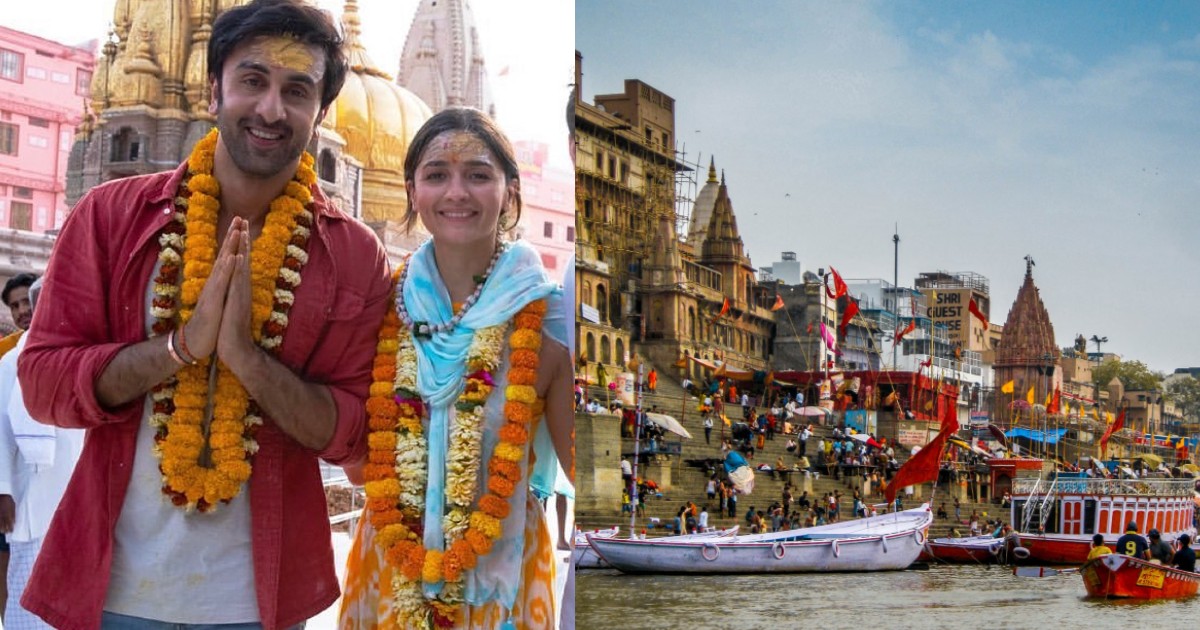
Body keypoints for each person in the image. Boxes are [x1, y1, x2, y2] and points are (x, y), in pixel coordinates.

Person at [17, 3, 392, 628]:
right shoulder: (111, 217)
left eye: (296, 91)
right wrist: (181, 347)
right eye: (253, 80)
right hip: (111, 591)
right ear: (212, 89)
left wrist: (246, 359)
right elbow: (44, 384)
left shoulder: (352, 257)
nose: (271, 109)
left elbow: (354, 431)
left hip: (260, 600)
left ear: (322, 114)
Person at [338, 107, 573, 628]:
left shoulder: (549, 315)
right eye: (437, 174)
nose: (457, 193)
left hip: (502, 578)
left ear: (511, 192)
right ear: (412, 191)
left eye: (479, 175)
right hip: (389, 565)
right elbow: (356, 464)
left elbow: (580, 467)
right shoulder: (384, 305)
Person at [0, 278, 85, 629]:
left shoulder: (81, 353)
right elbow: (0, 433)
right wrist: (2, 488)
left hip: (78, 490)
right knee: (28, 590)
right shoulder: (11, 361)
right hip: (31, 493)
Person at [0, 271, 35, 617]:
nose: (23, 311)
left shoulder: (71, 346)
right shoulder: (6, 357)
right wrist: (3, 488)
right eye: (15, 306)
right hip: (18, 482)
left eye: (27, 301)